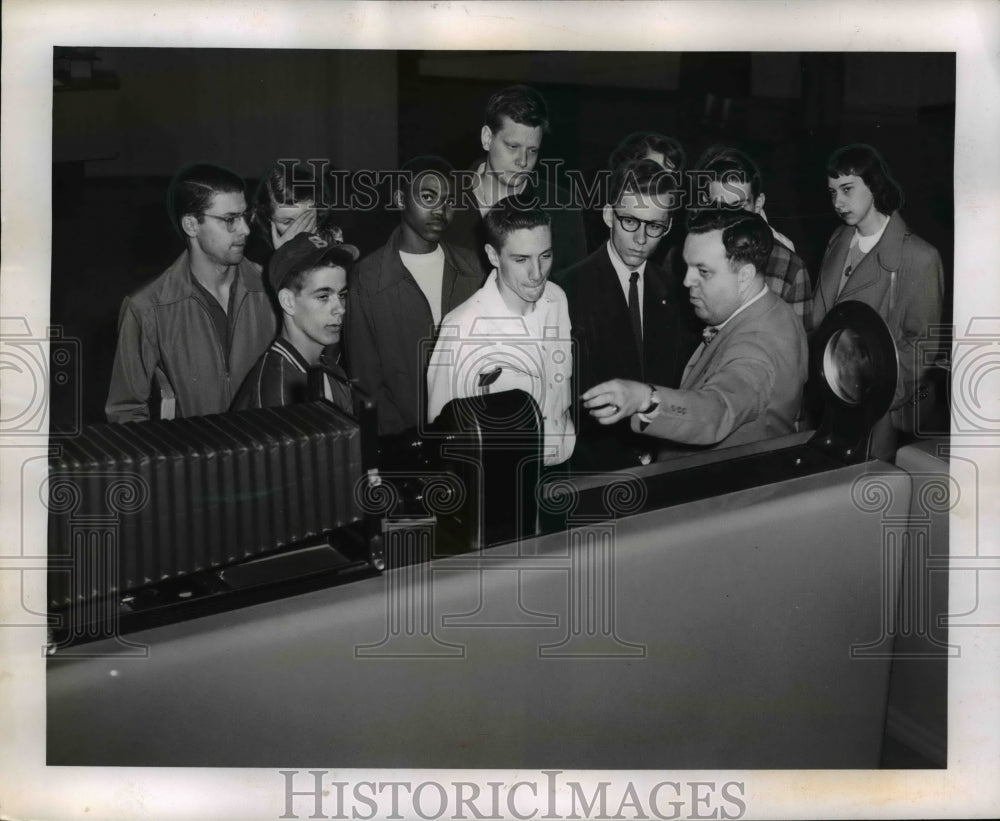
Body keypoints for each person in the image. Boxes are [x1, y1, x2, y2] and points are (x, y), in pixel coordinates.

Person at [582, 208, 807, 451]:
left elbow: (717, 410)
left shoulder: (757, 347)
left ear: (744, 276)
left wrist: (647, 399)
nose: (687, 281)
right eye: (687, 267)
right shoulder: (775, 310)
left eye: (703, 271)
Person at [554, 159, 701, 470]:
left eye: (654, 226)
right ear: (609, 215)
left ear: (669, 226)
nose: (641, 238)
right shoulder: (565, 291)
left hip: (663, 464)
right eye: (630, 222)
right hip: (592, 472)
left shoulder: (679, 293)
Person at [106, 163, 276, 422]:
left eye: (245, 216)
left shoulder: (271, 287)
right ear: (191, 225)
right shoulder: (147, 308)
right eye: (230, 219)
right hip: (194, 457)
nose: (245, 230)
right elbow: (126, 412)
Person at [812, 144, 944, 458]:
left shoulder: (919, 258)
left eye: (847, 189)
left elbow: (922, 345)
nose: (838, 202)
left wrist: (876, 398)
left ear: (874, 185)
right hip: (826, 398)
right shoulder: (838, 239)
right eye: (832, 193)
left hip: (874, 411)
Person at [427, 201, 575, 467]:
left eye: (545, 255)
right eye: (521, 259)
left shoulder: (558, 298)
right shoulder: (461, 328)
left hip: (564, 466)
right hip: (502, 478)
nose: (537, 274)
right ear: (493, 256)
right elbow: (442, 433)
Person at [345, 156, 484, 436]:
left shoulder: (474, 268)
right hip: (404, 445)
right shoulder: (367, 277)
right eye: (428, 196)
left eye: (448, 200)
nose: (440, 209)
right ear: (399, 199)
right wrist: (405, 445)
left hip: (470, 434)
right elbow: (365, 381)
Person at [444, 84, 586, 277]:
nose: (523, 161)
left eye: (532, 150)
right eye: (512, 146)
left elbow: (575, 291)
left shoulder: (563, 208)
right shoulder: (442, 201)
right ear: (487, 138)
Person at [231, 232, 354, 413]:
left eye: (341, 295)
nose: (340, 308)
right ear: (288, 302)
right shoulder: (278, 390)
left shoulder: (332, 370)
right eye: (323, 296)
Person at [695, 145, 814, 331]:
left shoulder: (790, 269)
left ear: (758, 204)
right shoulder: (688, 260)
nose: (729, 218)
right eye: (719, 207)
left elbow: (797, 350)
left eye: (739, 206)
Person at [247, 160, 356, 267]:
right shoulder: (255, 252)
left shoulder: (332, 234)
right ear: (268, 218)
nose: (300, 229)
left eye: (307, 217)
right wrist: (283, 257)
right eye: (288, 222)